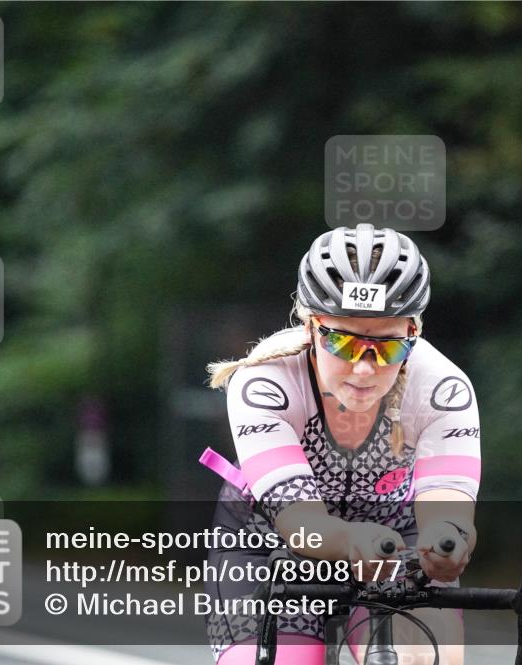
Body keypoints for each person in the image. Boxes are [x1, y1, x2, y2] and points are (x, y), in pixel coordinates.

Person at [202, 224, 480, 665]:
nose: (364, 368)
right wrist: (351, 539)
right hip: (268, 542)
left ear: (413, 331)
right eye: (342, 342)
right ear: (313, 327)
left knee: (422, 657)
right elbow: (300, 524)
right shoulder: (266, 382)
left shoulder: (442, 388)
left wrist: (447, 541)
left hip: (394, 542)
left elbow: (448, 514)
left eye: (387, 347)